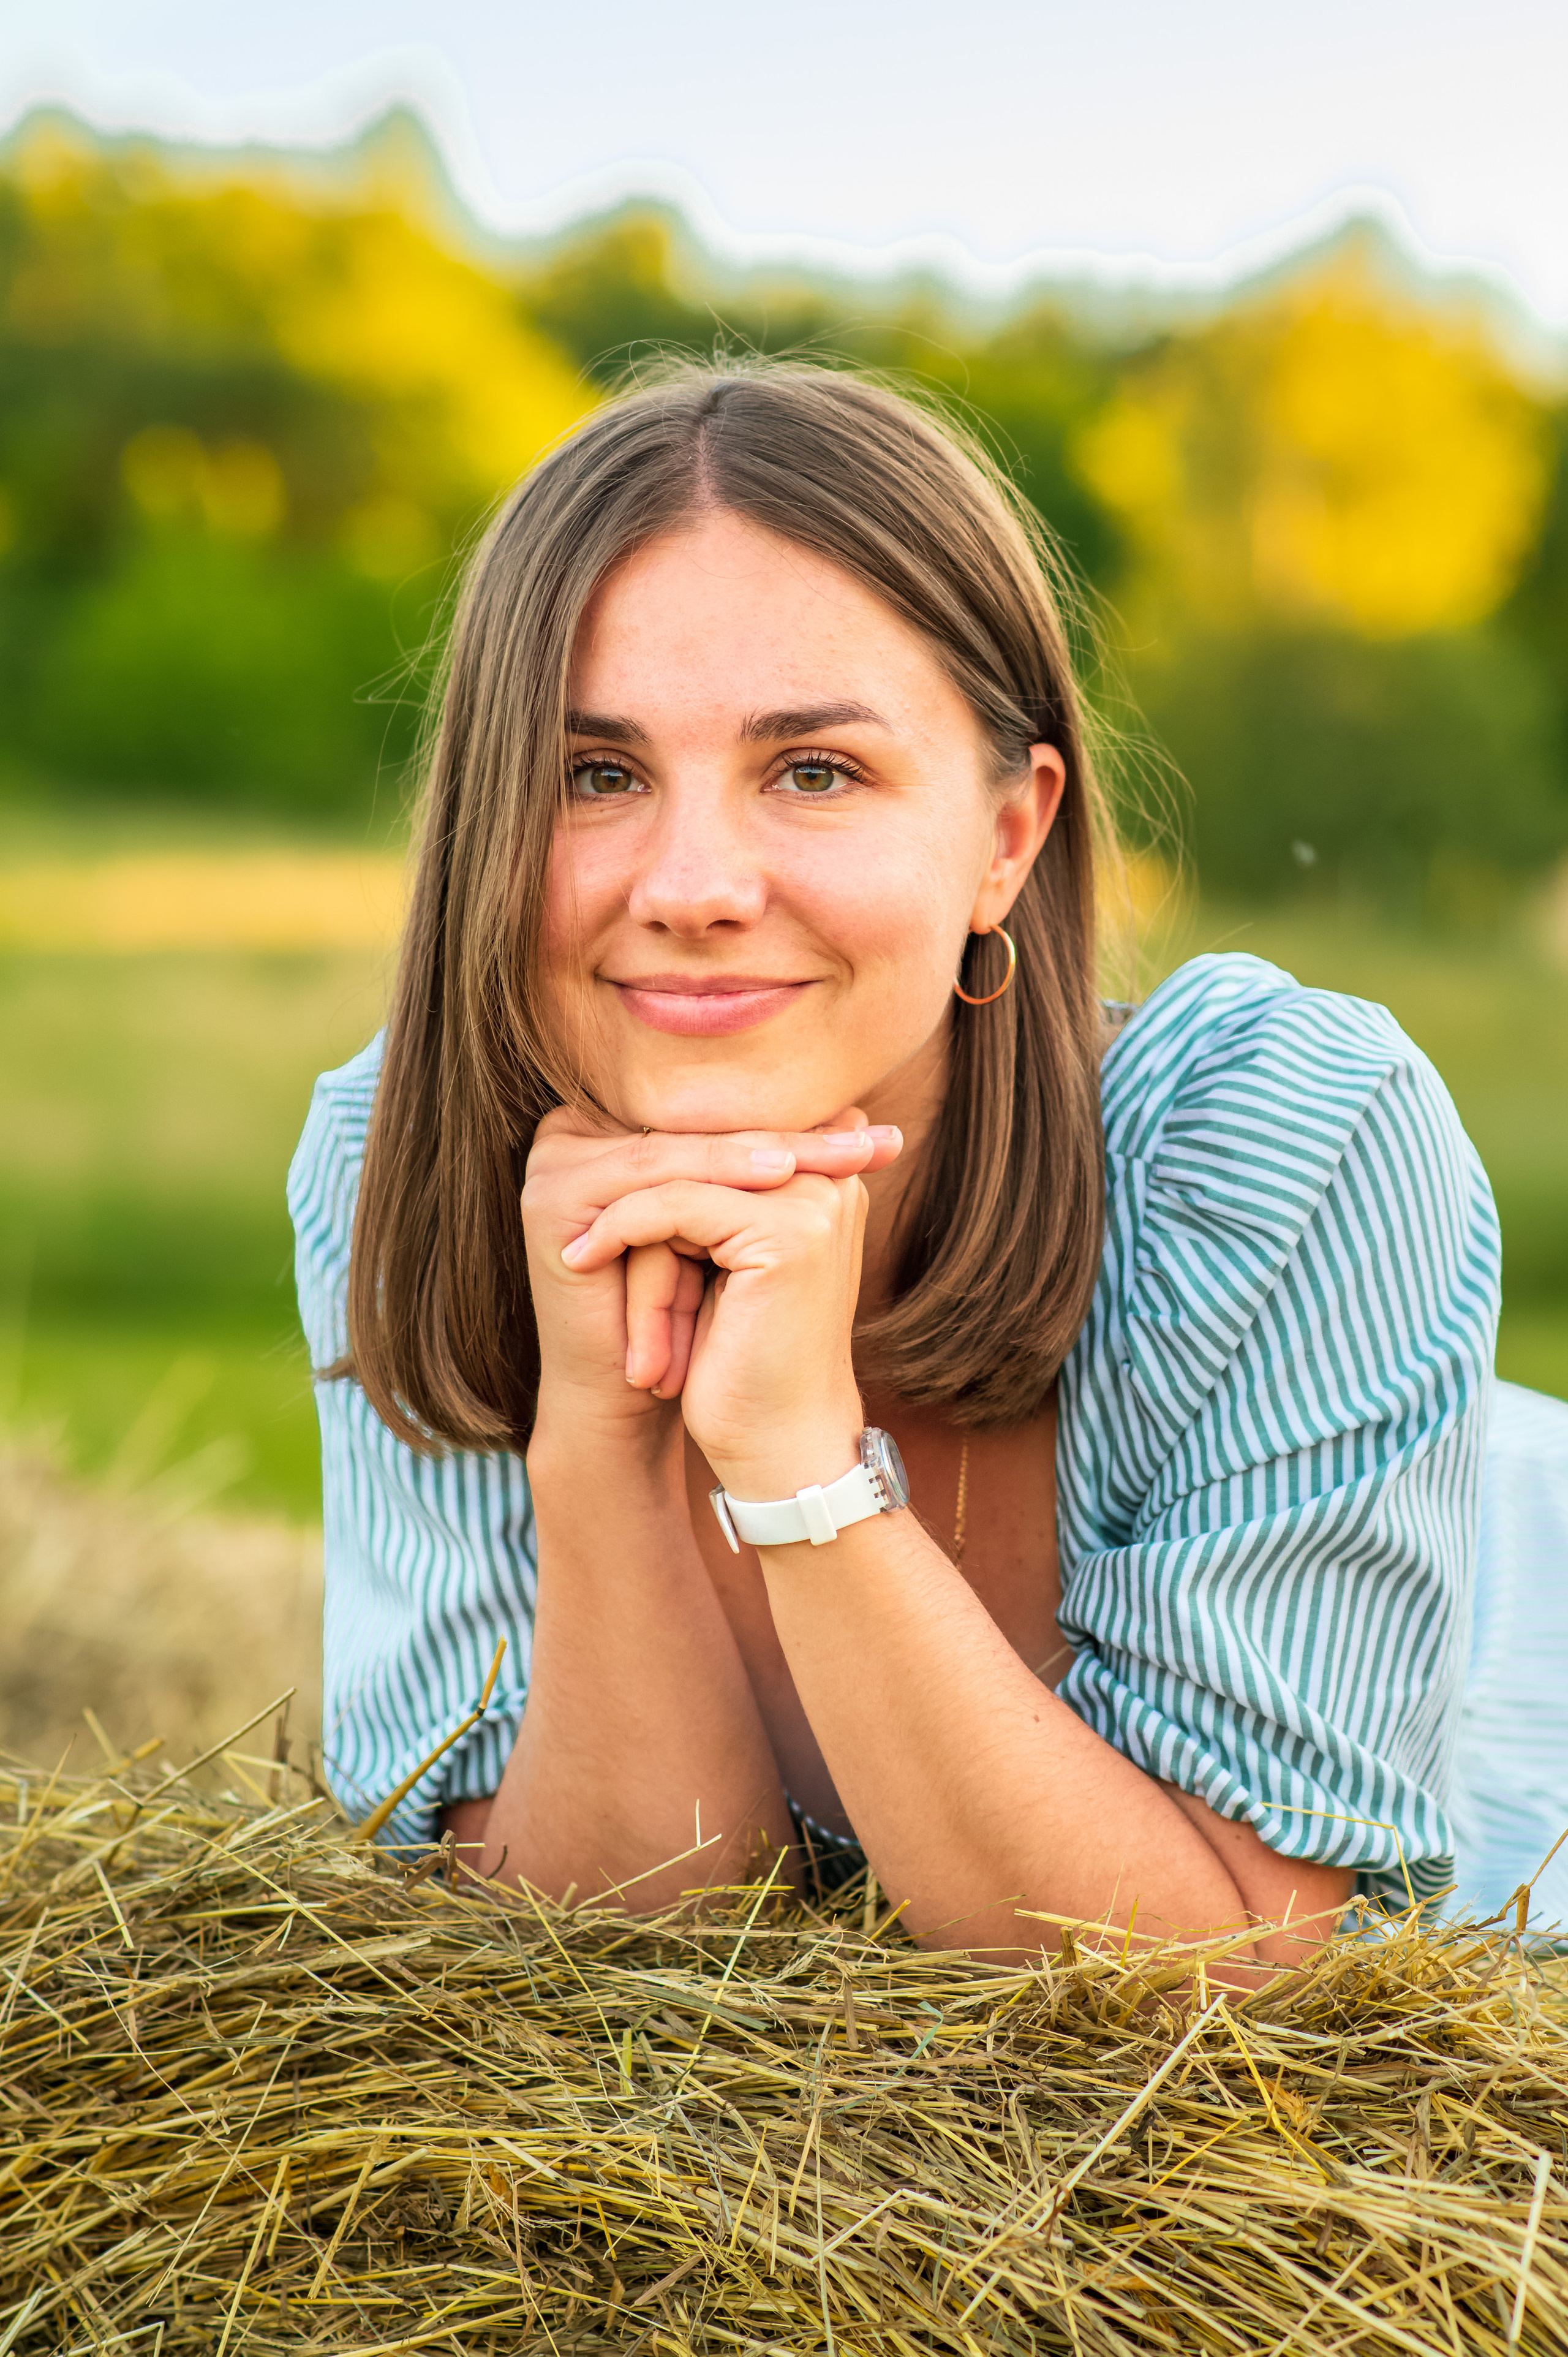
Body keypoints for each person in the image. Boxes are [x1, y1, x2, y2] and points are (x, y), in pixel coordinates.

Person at [289, 360, 1563, 1969]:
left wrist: (800, 1468)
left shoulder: (1286, 1137)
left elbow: (1238, 1985)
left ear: (1007, 837)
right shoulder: (402, 1156)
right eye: (595, 775)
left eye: (814, 771)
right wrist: (602, 1452)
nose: (689, 883)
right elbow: (613, 1957)